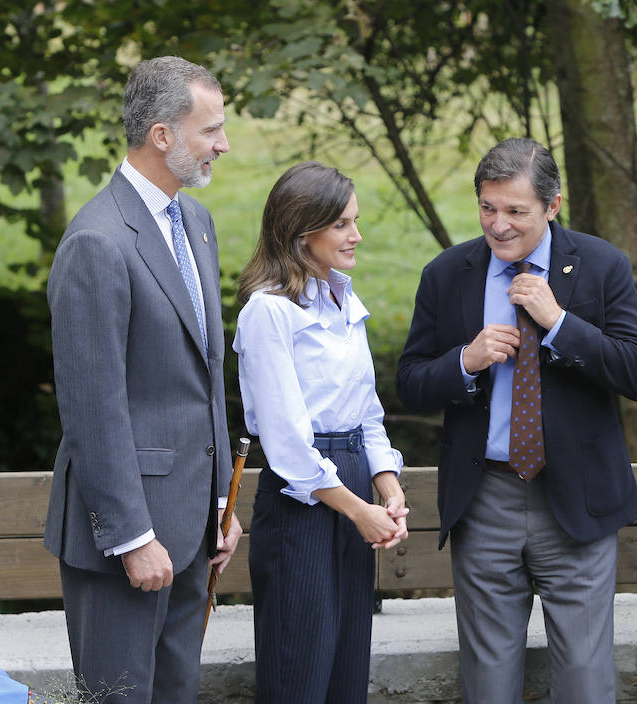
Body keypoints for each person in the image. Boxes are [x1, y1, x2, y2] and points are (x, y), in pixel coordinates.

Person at [396, 137, 637, 703]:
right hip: (484, 497)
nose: (499, 225)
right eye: (488, 208)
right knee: (488, 683)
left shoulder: (600, 265)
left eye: (516, 210)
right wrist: (464, 361)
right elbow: (410, 382)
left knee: (586, 682)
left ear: (553, 206)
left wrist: (560, 322)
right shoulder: (447, 273)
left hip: (577, 501)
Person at [45, 56, 241, 703]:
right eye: (210, 129)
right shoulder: (97, 243)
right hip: (127, 542)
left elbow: (206, 373)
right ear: (162, 135)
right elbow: (91, 407)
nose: (223, 143)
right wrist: (132, 537)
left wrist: (219, 503)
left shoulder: (198, 225)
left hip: (192, 533)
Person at [233, 161, 409, 704]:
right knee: (299, 672)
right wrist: (360, 511)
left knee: (346, 670)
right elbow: (285, 445)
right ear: (300, 230)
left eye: (355, 221)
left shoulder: (342, 298)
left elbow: (367, 409)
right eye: (341, 225)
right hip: (302, 496)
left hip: (354, 480)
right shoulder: (268, 313)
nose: (356, 235)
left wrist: (387, 484)